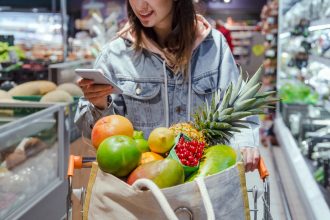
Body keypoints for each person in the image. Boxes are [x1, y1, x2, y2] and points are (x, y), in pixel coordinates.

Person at [75, 0, 260, 172]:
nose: (141, 5)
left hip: (205, 181)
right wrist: (99, 104)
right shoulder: (115, 54)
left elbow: (237, 105)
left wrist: (245, 143)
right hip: (142, 187)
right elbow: (97, 137)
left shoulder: (214, 46)